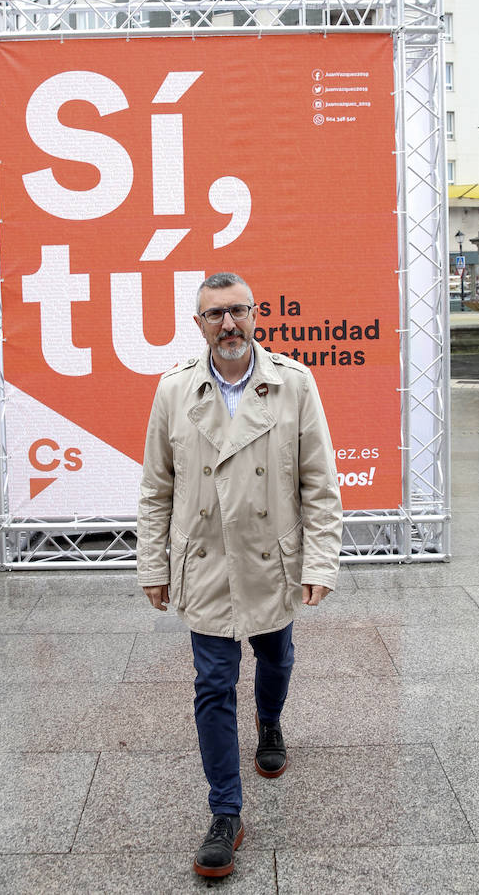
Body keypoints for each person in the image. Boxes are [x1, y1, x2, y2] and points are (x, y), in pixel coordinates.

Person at [137, 271, 342, 878]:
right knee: (212, 684)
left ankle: (271, 719)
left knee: (276, 658)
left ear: (256, 315)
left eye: (238, 311)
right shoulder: (173, 391)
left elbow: (320, 486)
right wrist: (154, 565)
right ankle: (225, 812)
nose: (228, 324)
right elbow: (155, 490)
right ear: (197, 324)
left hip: (270, 557)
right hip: (204, 562)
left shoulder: (294, 384)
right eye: (214, 314)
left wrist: (320, 561)